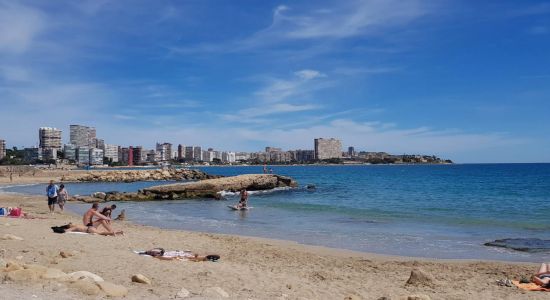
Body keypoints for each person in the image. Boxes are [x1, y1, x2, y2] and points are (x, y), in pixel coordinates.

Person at [138, 248, 220, 262]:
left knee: (192, 255)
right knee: (192, 257)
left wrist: (183, 251)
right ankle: (206, 258)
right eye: (152, 252)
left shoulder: (159, 253)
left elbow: (161, 250)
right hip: (178, 256)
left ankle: (207, 257)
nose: (153, 252)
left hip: (179, 253)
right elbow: (169, 259)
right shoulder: (160, 256)